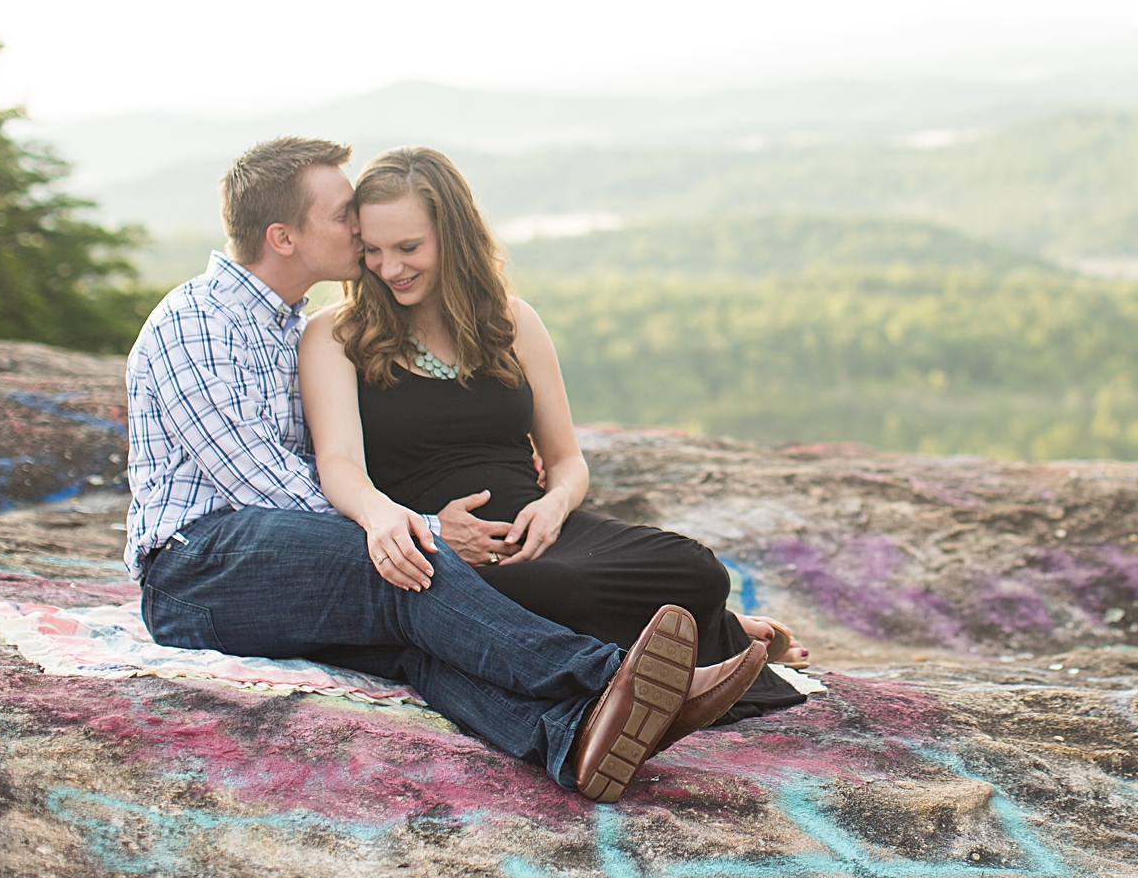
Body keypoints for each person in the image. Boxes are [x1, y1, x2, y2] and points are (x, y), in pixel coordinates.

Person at [124, 137, 769, 803]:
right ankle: (611, 677)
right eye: (344, 214)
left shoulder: (284, 324)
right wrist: (419, 527)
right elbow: (268, 491)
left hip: (273, 565)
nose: (360, 230)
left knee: (416, 646)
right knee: (403, 568)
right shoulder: (195, 323)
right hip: (198, 564)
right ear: (284, 236)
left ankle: (574, 737)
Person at [297, 146, 808, 725]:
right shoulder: (337, 334)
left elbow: (567, 460)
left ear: (453, 236)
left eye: (409, 248)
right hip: (451, 554)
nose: (391, 268)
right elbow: (337, 462)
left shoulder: (513, 322)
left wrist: (554, 506)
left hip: (545, 533)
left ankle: (698, 644)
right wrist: (386, 518)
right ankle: (679, 661)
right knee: (545, 591)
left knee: (695, 570)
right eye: (373, 250)